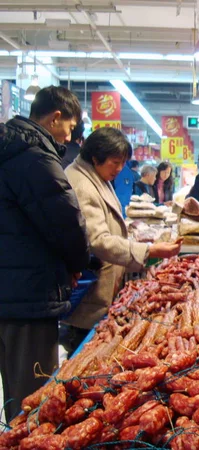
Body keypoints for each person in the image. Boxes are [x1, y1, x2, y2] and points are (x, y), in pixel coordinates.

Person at [0, 86, 90, 419]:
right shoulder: (35, 157)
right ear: (55, 118)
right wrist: (79, 262)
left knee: (13, 390)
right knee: (34, 397)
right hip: (30, 294)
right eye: (70, 126)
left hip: (9, 290)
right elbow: (66, 223)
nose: (70, 135)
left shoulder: (10, 149)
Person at [64, 128, 182, 351]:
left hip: (103, 288)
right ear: (96, 157)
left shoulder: (96, 175)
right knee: (84, 353)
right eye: (115, 162)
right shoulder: (81, 185)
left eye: (123, 163)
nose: (120, 169)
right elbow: (98, 240)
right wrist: (149, 250)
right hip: (90, 292)